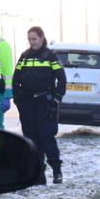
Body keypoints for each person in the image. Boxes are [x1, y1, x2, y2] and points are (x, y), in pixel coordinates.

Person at [12, 25, 66, 183]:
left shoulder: (51, 56)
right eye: (29, 39)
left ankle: (57, 171)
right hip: (27, 102)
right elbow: (16, 79)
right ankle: (38, 174)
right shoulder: (25, 56)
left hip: (45, 102)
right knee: (31, 139)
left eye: (34, 39)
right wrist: (17, 99)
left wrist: (57, 98)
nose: (32, 42)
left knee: (46, 136)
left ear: (42, 38)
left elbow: (62, 79)